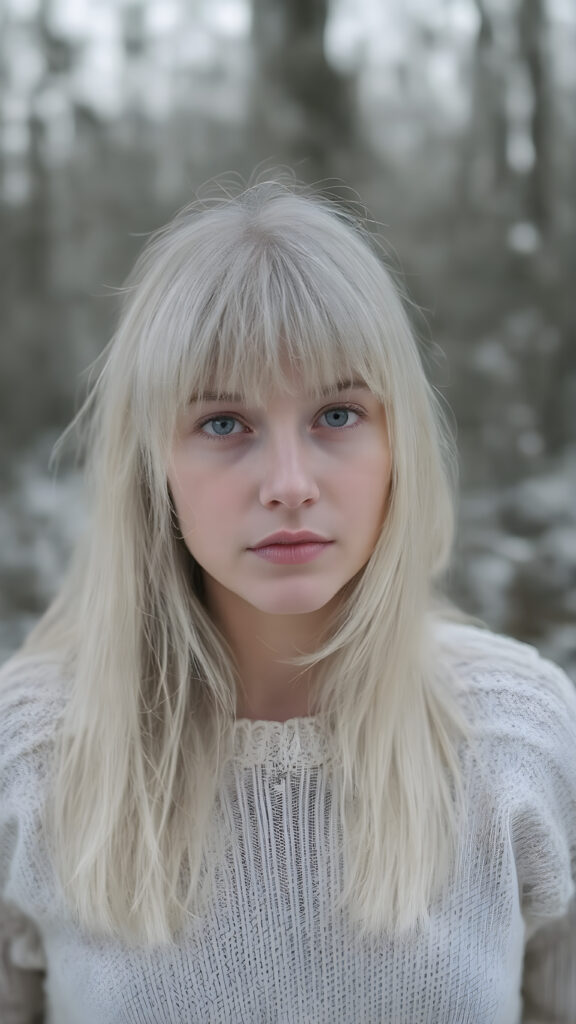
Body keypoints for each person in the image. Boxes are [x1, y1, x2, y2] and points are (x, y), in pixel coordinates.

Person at [1, 178, 575, 1024]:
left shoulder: (517, 735)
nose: (290, 485)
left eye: (337, 415)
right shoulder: (34, 754)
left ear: (397, 444)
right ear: (152, 464)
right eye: (224, 424)